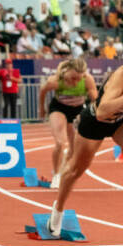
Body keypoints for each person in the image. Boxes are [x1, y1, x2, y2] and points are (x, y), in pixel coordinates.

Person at [47, 33, 123, 237]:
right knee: (75, 170)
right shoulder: (122, 76)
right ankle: (57, 211)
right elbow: (102, 111)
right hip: (96, 121)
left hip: (121, 119)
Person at [36, 57, 97, 186]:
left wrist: (91, 115)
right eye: (73, 78)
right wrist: (41, 108)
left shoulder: (87, 80)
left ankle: (64, 170)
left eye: (78, 79)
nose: (76, 82)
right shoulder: (56, 80)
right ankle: (57, 175)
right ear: (67, 72)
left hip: (78, 110)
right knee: (60, 142)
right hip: (59, 108)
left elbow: (95, 100)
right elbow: (43, 91)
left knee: (75, 147)